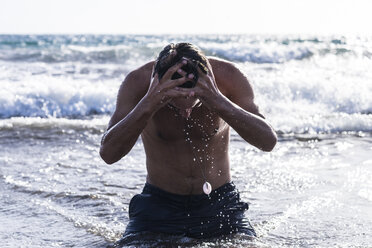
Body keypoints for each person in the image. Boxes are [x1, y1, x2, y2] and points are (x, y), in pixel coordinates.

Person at [100, 43, 277, 241]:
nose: (186, 112)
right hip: (159, 206)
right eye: (175, 102)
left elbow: (268, 141)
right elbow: (108, 154)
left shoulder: (228, 77)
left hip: (220, 202)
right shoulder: (138, 83)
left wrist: (217, 100)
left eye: (195, 100)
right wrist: (149, 103)